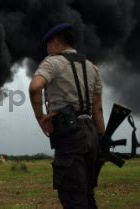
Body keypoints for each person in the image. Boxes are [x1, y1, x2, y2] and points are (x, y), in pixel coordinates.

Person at [29, 23, 105, 209]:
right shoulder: (92, 67)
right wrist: (101, 138)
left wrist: (41, 119)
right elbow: (97, 108)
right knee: (87, 193)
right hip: (91, 134)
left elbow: (35, 87)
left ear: (55, 42)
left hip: (69, 133)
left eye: (47, 45)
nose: (47, 49)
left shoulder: (52, 62)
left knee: (73, 197)